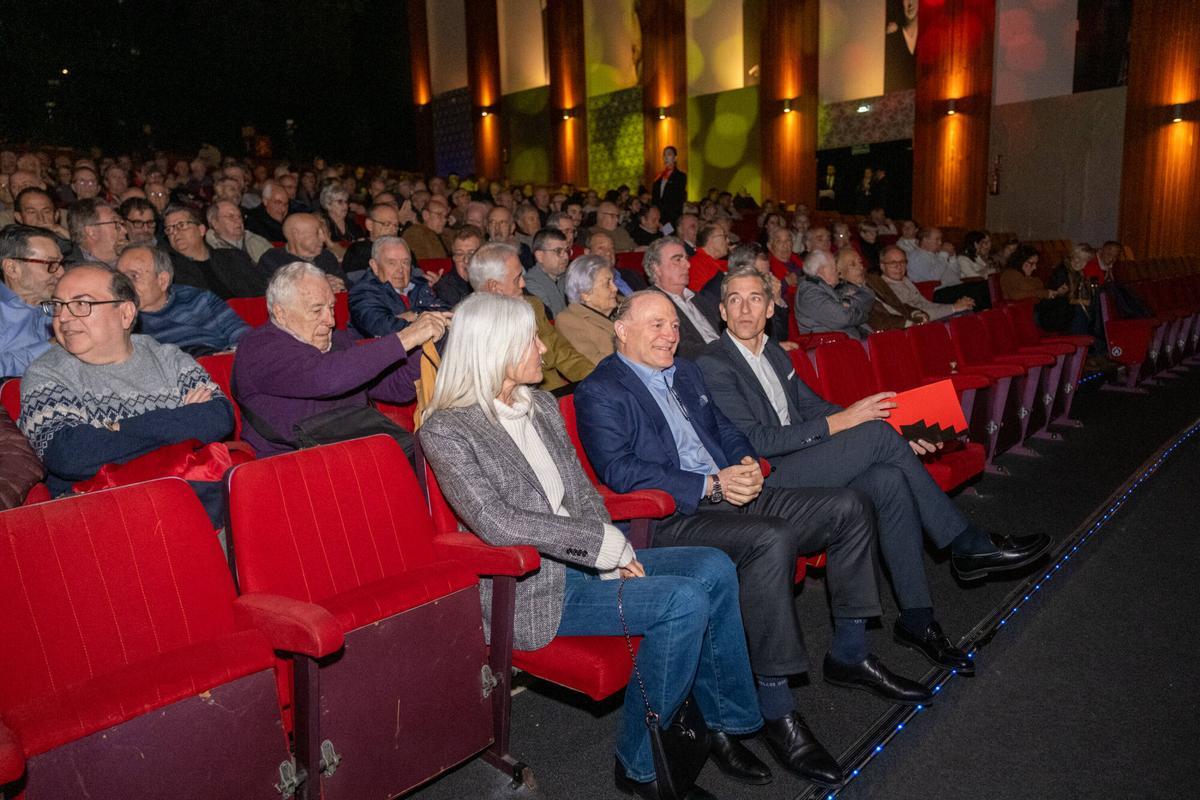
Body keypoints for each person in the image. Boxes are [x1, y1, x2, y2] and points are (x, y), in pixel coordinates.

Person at [576, 291, 937, 788]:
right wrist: (710, 484)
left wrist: (745, 464)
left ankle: (850, 653)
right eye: (656, 325)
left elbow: (725, 430)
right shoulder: (602, 388)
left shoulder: (686, 371)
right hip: (671, 518)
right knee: (771, 539)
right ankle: (777, 708)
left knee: (849, 506)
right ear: (621, 329)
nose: (670, 334)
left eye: (674, 326)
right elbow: (618, 470)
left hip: (734, 491)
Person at [419, 292, 763, 798]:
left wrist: (610, 550)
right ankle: (640, 766)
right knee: (682, 600)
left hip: (587, 561)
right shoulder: (446, 428)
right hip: (536, 585)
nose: (543, 347)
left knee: (713, 564)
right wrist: (604, 550)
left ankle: (723, 725)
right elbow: (498, 522)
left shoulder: (538, 405)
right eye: (530, 339)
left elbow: (581, 491)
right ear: (494, 347)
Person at [698, 266, 1051, 653]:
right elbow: (757, 441)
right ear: (721, 310)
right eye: (735, 300)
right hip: (767, 479)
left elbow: (818, 408)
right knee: (877, 438)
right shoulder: (714, 362)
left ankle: (917, 618)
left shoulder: (777, 356)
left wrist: (899, 439)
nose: (745, 309)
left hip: (803, 462)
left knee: (889, 479)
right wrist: (853, 424)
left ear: (770, 309)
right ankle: (965, 542)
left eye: (754, 299)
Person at [19, 263, 234, 498]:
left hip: (188, 493)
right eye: (58, 305)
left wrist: (115, 427)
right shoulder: (45, 373)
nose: (63, 317)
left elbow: (218, 417)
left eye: (81, 304)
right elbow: (70, 454)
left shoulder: (167, 356)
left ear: (125, 313)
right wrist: (180, 419)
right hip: (108, 510)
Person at [232, 262, 449, 458]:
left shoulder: (338, 341)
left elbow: (395, 389)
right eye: (317, 310)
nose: (330, 320)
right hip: (293, 465)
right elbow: (326, 378)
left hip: (356, 447)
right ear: (281, 313)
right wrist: (407, 337)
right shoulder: (259, 347)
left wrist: (429, 344)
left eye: (332, 307)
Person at [468, 242, 593, 391]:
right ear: (494, 287)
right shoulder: (471, 326)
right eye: (517, 278)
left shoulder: (532, 306)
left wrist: (596, 379)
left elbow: (561, 351)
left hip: (554, 395)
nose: (522, 284)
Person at [117, 245, 248, 355]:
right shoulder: (121, 321)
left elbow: (241, 333)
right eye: (119, 278)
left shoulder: (199, 298)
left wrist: (230, 355)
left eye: (134, 276)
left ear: (162, 281)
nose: (124, 285)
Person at [348, 236, 447, 338]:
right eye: (392, 263)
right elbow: (383, 328)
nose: (400, 269)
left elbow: (447, 312)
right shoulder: (363, 291)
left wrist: (414, 314)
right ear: (375, 266)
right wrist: (424, 318)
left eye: (405, 262)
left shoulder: (420, 285)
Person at [163, 205, 269, 298]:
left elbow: (262, 292)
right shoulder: (171, 272)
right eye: (169, 229)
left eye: (181, 225)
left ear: (201, 230)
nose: (175, 233)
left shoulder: (233, 257)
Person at [645, 236, 722, 360]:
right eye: (677, 260)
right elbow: (679, 350)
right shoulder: (651, 304)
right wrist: (725, 350)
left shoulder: (699, 299)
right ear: (656, 268)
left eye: (686, 259)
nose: (687, 265)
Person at [1, 225, 63, 376]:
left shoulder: (67, 303)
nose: (61, 272)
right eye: (50, 264)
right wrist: (52, 345)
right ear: (12, 268)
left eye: (61, 263)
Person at [871, 245, 973, 321]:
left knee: (968, 312)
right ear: (882, 266)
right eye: (893, 263)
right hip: (916, 326)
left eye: (902, 262)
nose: (899, 267)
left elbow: (926, 304)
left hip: (930, 319)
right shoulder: (884, 288)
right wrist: (953, 308)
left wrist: (955, 306)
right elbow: (915, 314)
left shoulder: (905, 280)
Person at [793, 249, 873, 340]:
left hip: (847, 341)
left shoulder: (826, 287)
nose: (838, 272)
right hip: (831, 345)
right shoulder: (809, 293)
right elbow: (843, 318)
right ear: (822, 270)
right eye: (834, 267)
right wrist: (864, 315)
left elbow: (864, 299)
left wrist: (848, 305)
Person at [554, 254, 620, 365]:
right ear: (585, 294)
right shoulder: (569, 321)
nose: (615, 288)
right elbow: (596, 367)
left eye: (613, 281)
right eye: (607, 283)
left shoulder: (624, 307)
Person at [258, 213, 347, 291]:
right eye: (317, 233)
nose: (323, 238)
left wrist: (342, 287)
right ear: (296, 234)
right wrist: (321, 286)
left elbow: (349, 287)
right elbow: (272, 294)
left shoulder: (326, 256)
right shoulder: (272, 259)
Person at [1000, 244, 1072, 330]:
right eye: (1032, 263)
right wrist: (1041, 293)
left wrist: (1056, 292)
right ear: (1021, 261)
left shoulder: (1027, 276)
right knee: (1065, 307)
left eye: (1036, 263)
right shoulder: (1010, 274)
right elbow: (1015, 295)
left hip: (1036, 310)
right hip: (1026, 314)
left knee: (1067, 304)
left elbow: (1038, 287)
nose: (1034, 267)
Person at [205, 199, 273, 264]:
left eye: (240, 216)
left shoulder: (256, 241)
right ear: (215, 223)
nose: (238, 220)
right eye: (231, 216)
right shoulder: (209, 250)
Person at [524, 228, 571, 318]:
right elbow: (551, 321)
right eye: (558, 251)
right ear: (540, 256)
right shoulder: (530, 284)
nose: (566, 257)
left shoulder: (566, 276)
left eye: (566, 250)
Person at [66, 199, 127, 267]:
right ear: (92, 232)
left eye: (121, 223)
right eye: (116, 223)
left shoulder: (130, 261)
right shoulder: (73, 272)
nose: (125, 231)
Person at [403, 195, 453, 261]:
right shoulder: (415, 233)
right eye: (439, 215)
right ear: (426, 215)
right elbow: (421, 263)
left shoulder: (447, 235)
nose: (444, 220)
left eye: (445, 216)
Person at [687, 224, 731, 293]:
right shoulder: (695, 264)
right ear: (711, 239)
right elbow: (698, 298)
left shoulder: (722, 263)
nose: (728, 240)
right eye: (724, 237)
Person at [650, 145, 687, 226]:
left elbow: (677, 199)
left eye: (669, 154)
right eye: (664, 155)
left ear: (675, 158)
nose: (666, 157)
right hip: (658, 219)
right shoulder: (658, 177)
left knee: (669, 235)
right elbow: (654, 199)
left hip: (672, 218)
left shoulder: (680, 176)